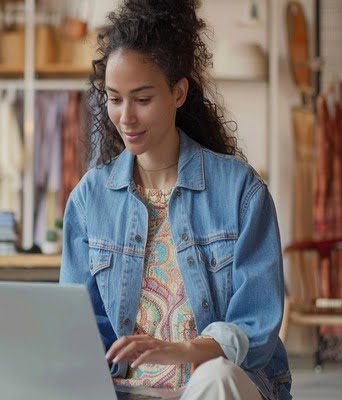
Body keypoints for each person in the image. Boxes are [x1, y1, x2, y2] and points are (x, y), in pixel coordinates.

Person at [59, 0, 291, 399]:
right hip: (130, 391)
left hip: (221, 385)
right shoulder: (88, 200)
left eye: (142, 99)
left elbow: (257, 325)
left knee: (214, 378)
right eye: (114, 99)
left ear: (178, 92)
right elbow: (80, 332)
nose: (126, 117)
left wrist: (183, 352)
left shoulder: (240, 191)